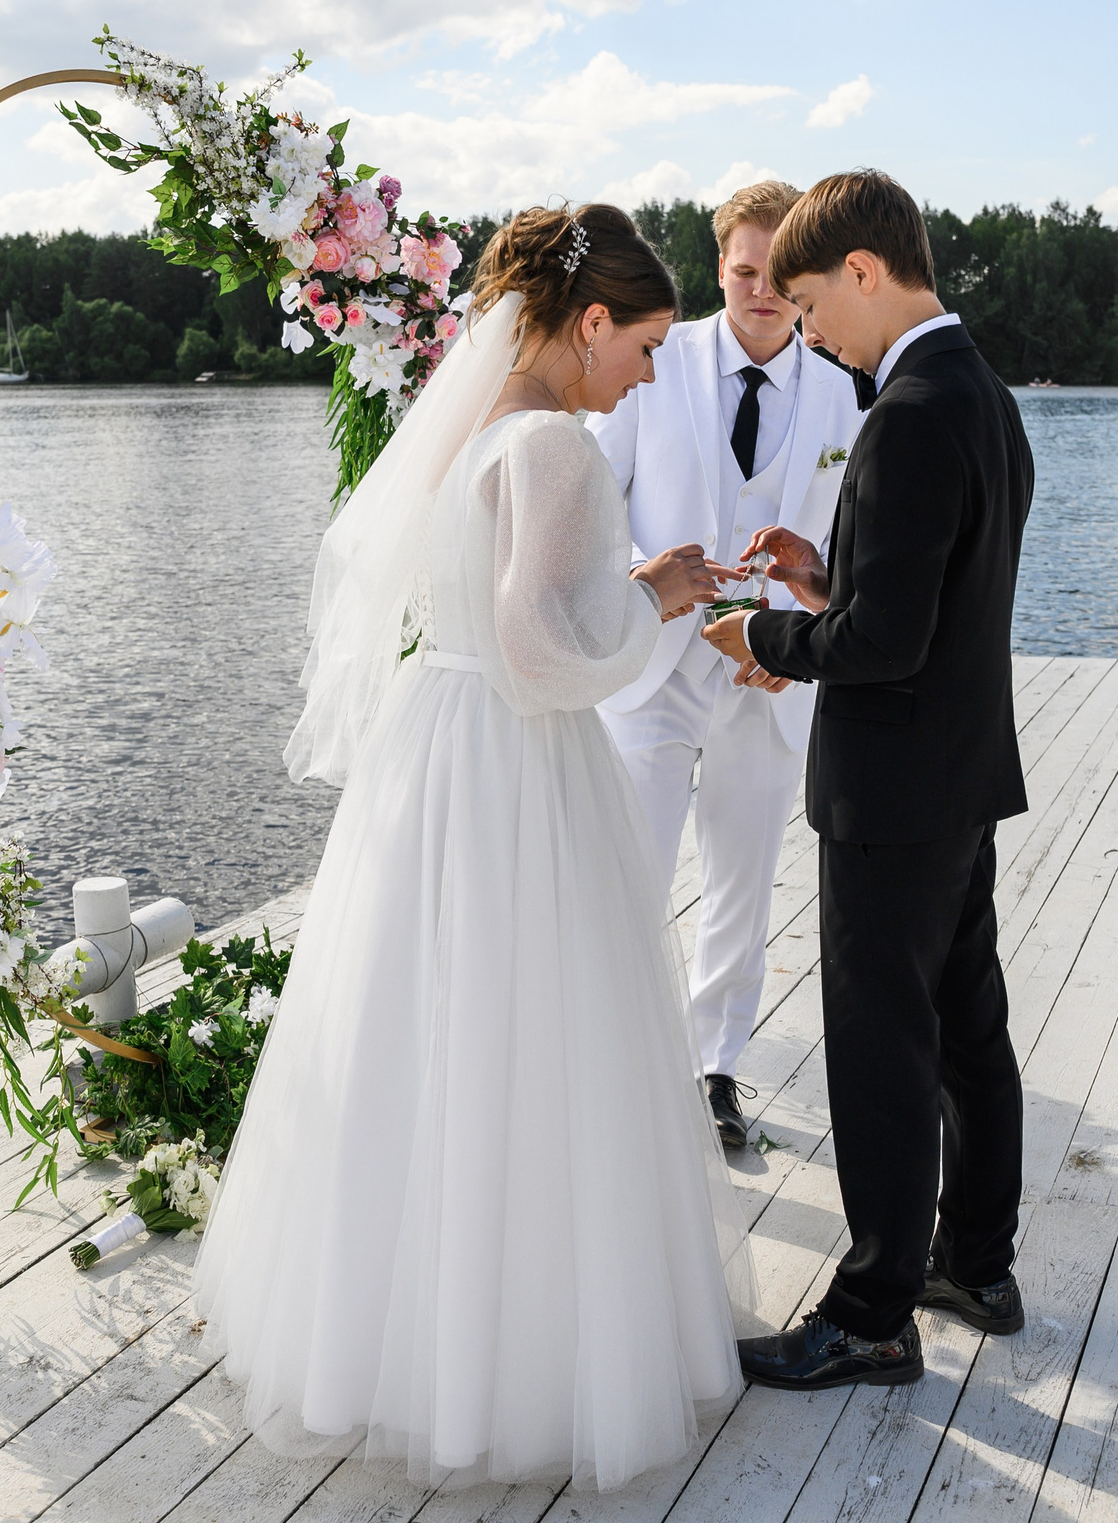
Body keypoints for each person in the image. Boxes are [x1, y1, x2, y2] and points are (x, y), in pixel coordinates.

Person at [196, 203, 756, 1491]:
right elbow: (543, 650)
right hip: (513, 758)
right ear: (591, 319)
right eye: (648, 341)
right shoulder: (554, 444)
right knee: (529, 1029)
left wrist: (623, 592)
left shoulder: (463, 433)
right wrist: (656, 601)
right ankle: (526, 1348)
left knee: (420, 1028)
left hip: (434, 744)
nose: (652, 370)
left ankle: (383, 1343)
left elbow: (491, 618)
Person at [701, 169, 1035, 1390]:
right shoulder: (980, 391)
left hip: (891, 792)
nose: (803, 328)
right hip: (958, 774)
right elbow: (926, 597)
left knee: (884, 1050)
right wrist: (825, 573)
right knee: (965, 1032)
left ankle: (873, 1309)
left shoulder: (905, 408)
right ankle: (976, 1263)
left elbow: (883, 646)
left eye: (807, 300)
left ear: (860, 271)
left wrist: (762, 636)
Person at [583, 180, 867, 1149]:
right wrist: (639, 580)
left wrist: (800, 640)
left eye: (775, 276)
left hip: (770, 673)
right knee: (633, 869)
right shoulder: (655, 360)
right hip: (654, 663)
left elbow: (844, 540)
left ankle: (714, 1067)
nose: (759, 292)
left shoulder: (839, 392)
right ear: (719, 267)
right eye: (742, 271)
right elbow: (592, 498)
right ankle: (612, 1060)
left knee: (743, 878)